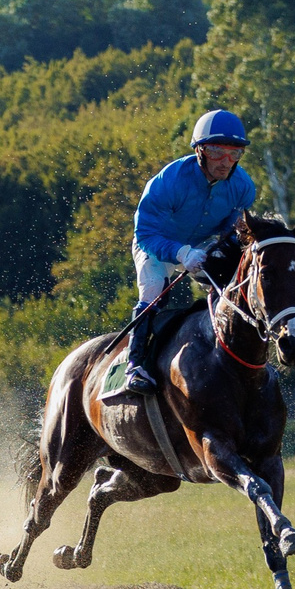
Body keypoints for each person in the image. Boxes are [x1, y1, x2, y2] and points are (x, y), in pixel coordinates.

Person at [119, 110, 259, 396]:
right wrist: (181, 253)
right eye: (216, 152)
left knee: (237, 282)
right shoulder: (169, 181)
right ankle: (135, 365)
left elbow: (231, 232)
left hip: (204, 244)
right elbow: (145, 233)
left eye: (235, 153)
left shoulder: (243, 187)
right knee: (154, 290)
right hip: (157, 243)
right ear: (199, 151)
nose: (226, 162)